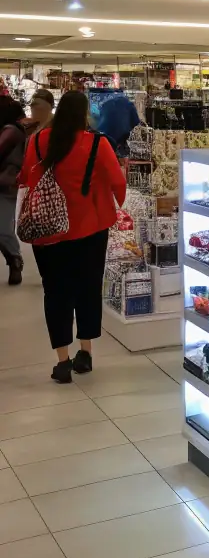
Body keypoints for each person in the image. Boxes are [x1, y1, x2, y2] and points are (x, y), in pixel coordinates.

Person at [18, 91, 126, 383]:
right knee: (87, 289)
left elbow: (28, 178)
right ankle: (86, 353)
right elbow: (118, 182)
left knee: (55, 292)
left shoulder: (39, 141)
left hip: (49, 231)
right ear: (84, 115)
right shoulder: (98, 144)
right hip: (90, 228)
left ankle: (62, 361)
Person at [0, 96, 28, 285]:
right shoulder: (14, 129)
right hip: (6, 184)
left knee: (3, 229)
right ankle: (14, 261)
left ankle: (15, 260)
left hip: (4, 185)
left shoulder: (10, 131)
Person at [95, 90, 140, 156]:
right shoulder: (129, 105)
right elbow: (136, 123)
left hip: (102, 137)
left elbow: (100, 119)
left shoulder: (105, 104)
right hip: (119, 138)